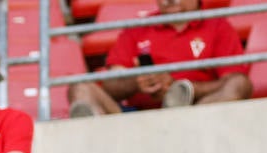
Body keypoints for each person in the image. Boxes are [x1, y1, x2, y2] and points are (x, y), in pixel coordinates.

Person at [67, 0, 252, 117]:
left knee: (240, 84)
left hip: (198, 110)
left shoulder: (217, 25)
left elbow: (234, 81)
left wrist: (184, 89)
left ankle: (182, 120)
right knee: (80, 87)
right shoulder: (139, 28)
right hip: (135, 118)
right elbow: (111, 83)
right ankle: (94, 141)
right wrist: (138, 81)